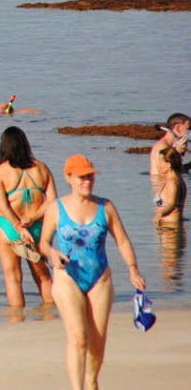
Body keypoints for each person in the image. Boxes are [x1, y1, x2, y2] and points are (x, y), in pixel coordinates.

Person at [39, 154, 146, 390]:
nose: (87, 181)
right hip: (67, 278)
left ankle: (92, 382)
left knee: (97, 341)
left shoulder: (105, 207)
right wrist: (52, 254)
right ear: (68, 178)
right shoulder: (56, 209)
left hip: (100, 278)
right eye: (82, 177)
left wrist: (133, 269)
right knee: (78, 338)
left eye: (90, 176)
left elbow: (123, 241)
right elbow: (43, 242)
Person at [0, 126, 56, 307]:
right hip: (36, 227)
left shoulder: (0, 172)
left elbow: (3, 205)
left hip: (9, 227)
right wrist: (32, 218)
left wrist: (18, 227)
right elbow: (52, 201)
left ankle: (16, 319)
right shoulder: (42, 168)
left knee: (13, 278)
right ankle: (50, 314)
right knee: (44, 277)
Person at [149, 113, 189, 189]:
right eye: (188, 129)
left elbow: (173, 170)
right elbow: (165, 171)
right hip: (164, 188)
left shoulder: (170, 147)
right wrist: (177, 152)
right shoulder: (162, 147)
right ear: (177, 128)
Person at [153, 147, 186, 226]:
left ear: (169, 164)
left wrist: (160, 214)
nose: (158, 165)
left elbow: (172, 204)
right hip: (173, 225)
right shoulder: (179, 180)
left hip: (169, 227)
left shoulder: (172, 182)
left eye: (160, 162)